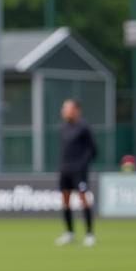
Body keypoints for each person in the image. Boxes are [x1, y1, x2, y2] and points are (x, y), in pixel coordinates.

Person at [55, 98, 97, 247]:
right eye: (63, 108)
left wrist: (81, 165)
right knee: (65, 201)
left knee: (83, 200)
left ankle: (90, 234)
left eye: (66, 108)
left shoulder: (84, 127)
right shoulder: (63, 127)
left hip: (79, 171)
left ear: (76, 110)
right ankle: (69, 233)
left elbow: (93, 150)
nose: (64, 111)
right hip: (65, 169)